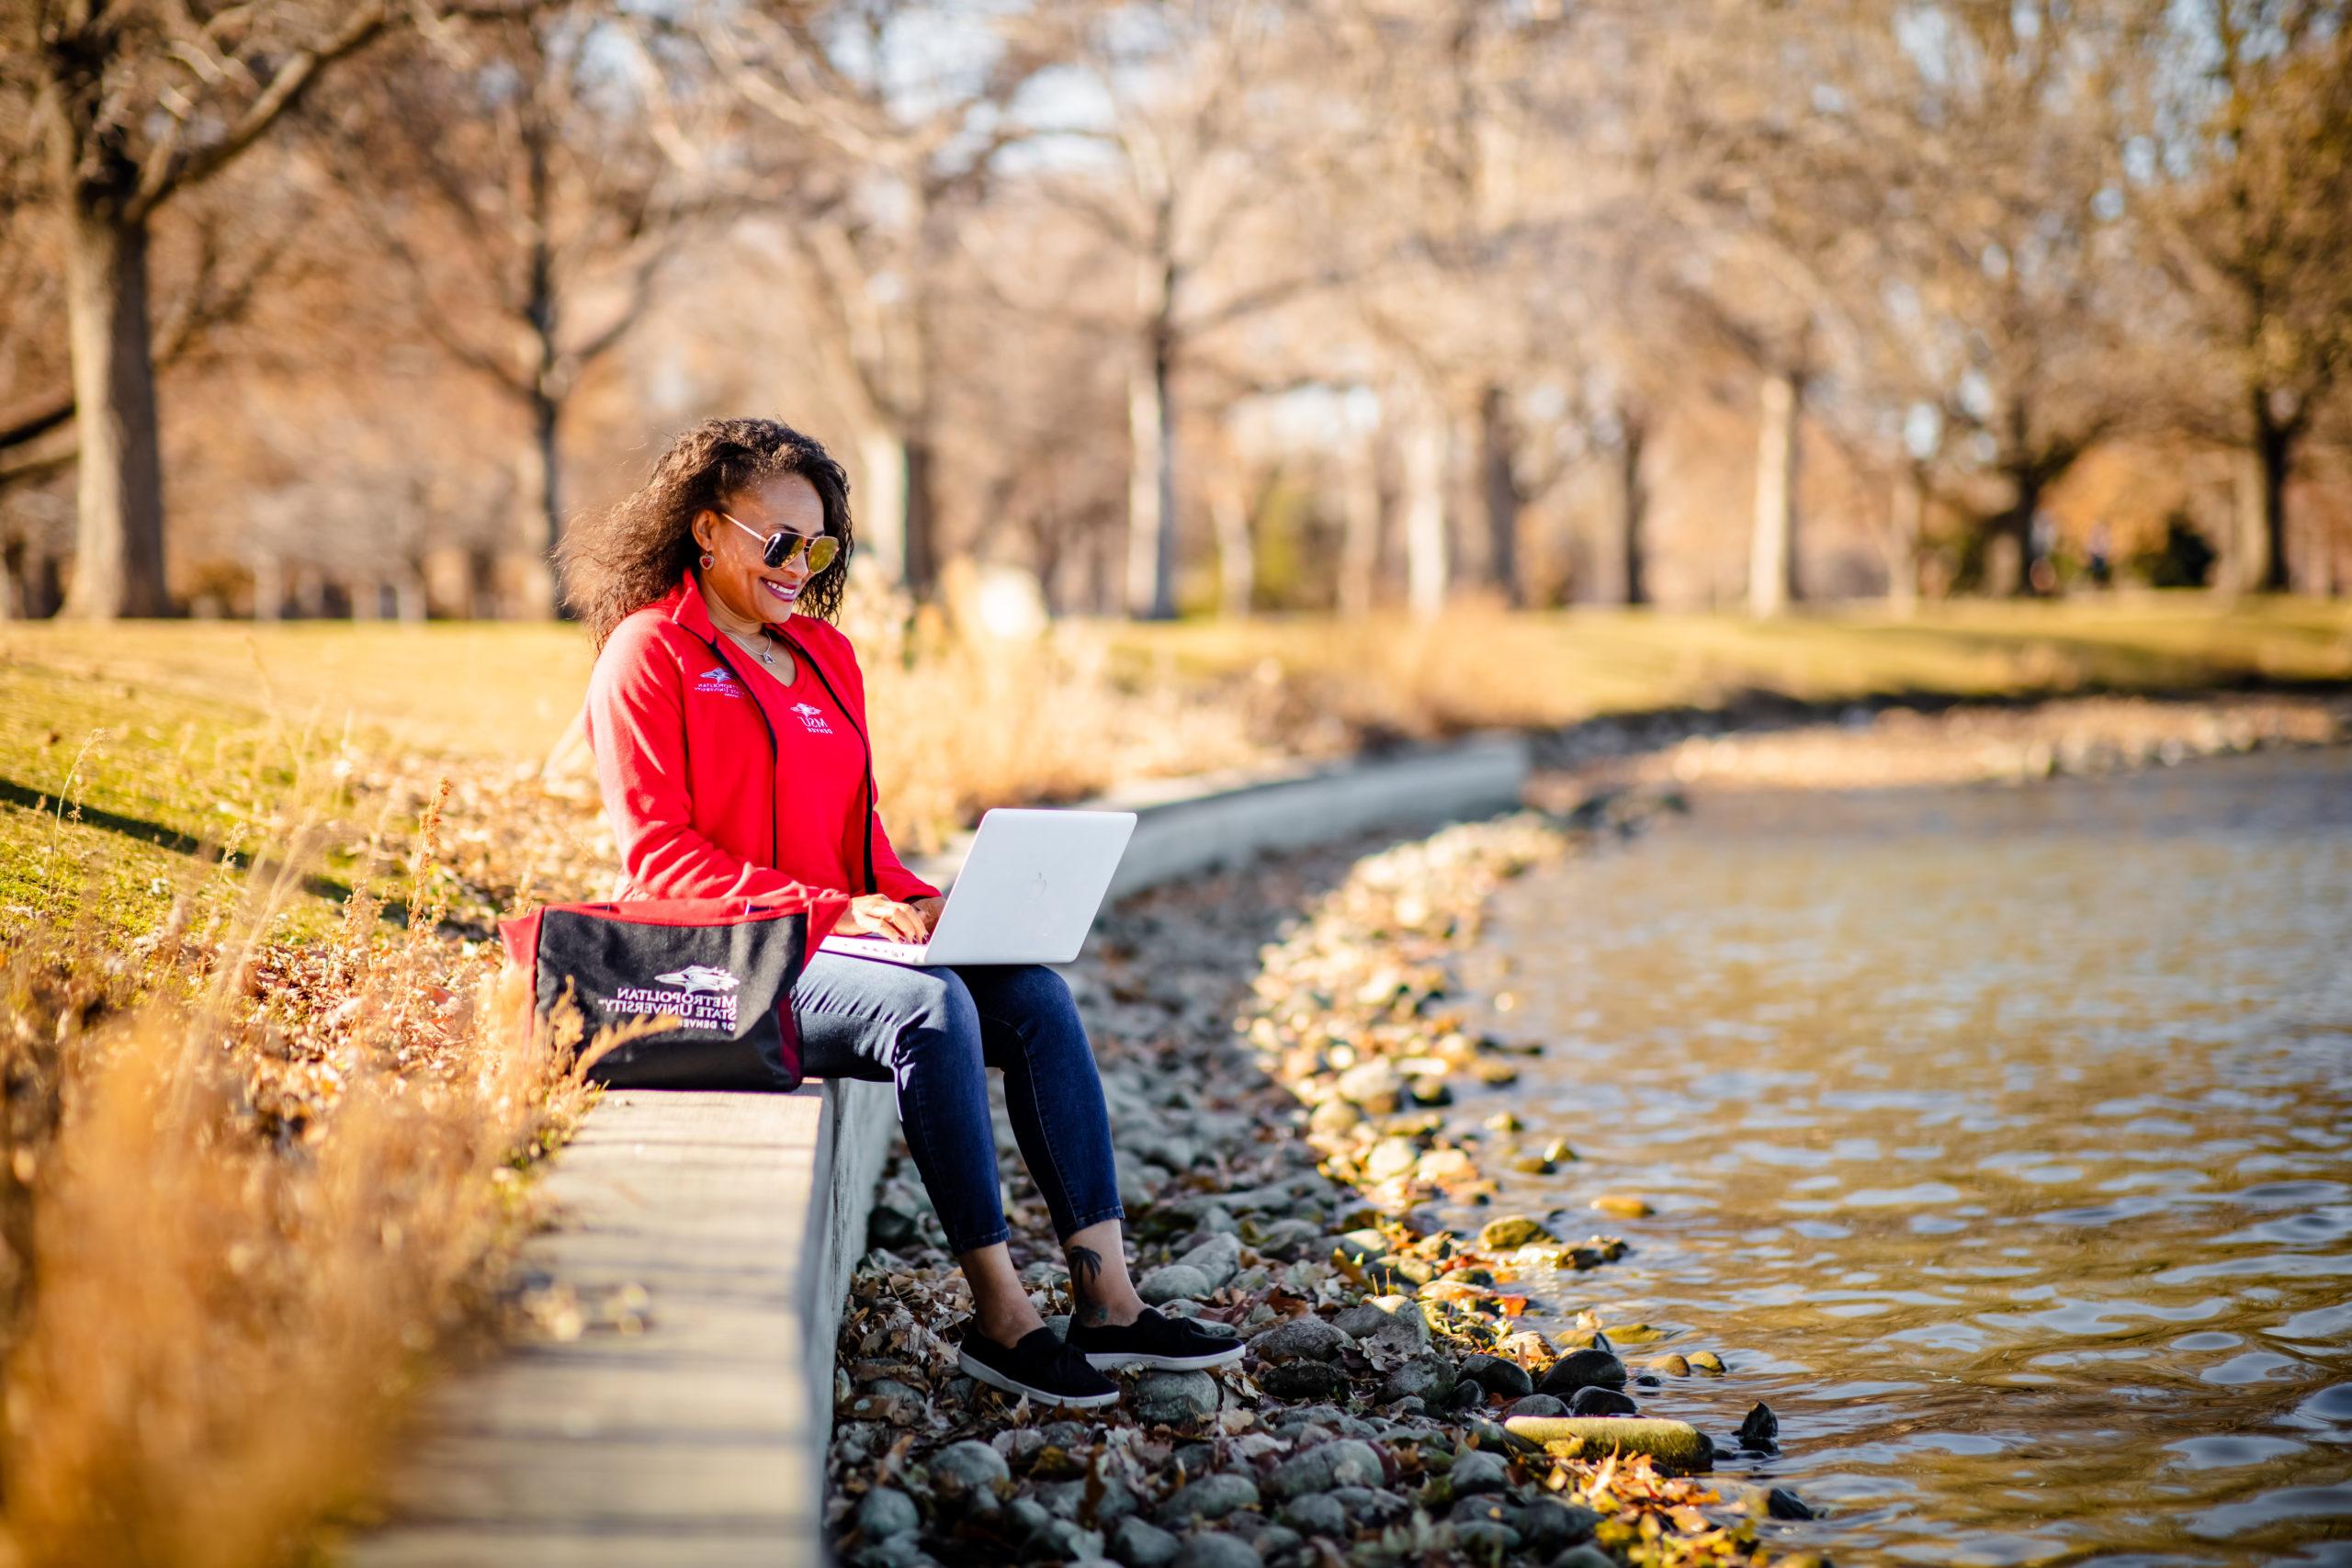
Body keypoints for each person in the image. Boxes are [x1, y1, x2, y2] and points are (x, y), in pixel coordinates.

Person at [560, 417, 1239, 1409]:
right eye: (778, 542)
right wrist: (837, 913)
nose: (801, 565)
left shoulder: (828, 657)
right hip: (720, 960)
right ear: (707, 531)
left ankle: (1111, 1304)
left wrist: (920, 902)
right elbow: (662, 858)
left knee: (1035, 999)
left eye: (820, 545)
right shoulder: (649, 652)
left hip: (824, 936)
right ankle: (1003, 1319)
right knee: (927, 1012)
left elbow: (862, 840)